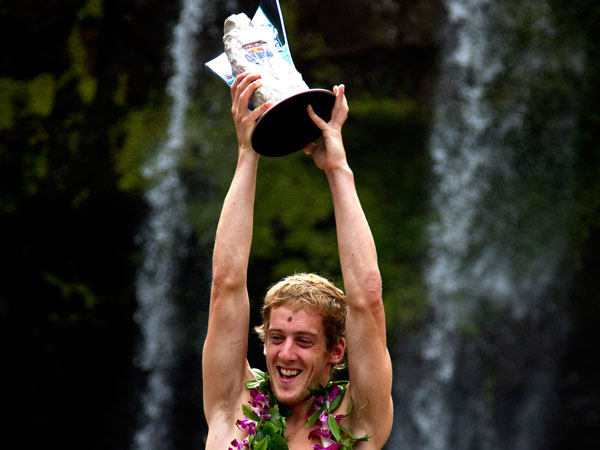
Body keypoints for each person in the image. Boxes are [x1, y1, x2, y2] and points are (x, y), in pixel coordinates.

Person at [202, 72, 393, 449]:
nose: (285, 353)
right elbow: (226, 283)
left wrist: (337, 169)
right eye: (276, 337)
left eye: (304, 341)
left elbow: (366, 299)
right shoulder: (233, 406)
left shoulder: (357, 421)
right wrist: (248, 152)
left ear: (336, 351)